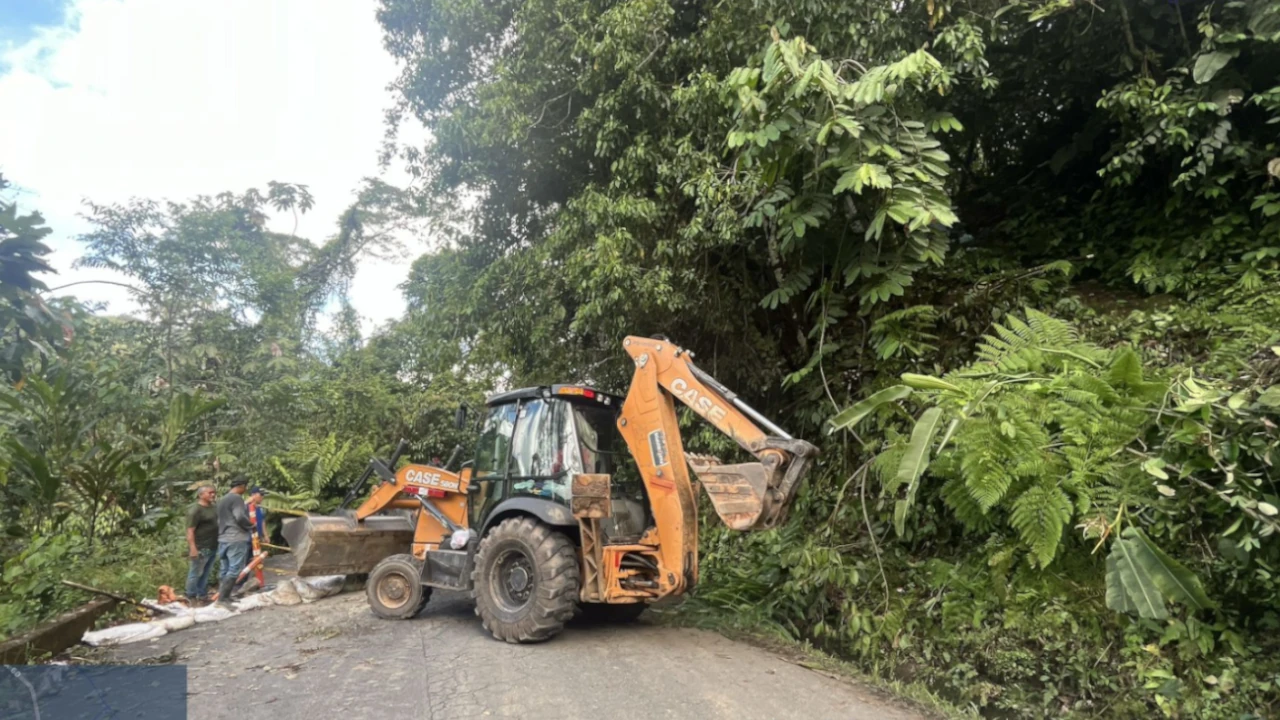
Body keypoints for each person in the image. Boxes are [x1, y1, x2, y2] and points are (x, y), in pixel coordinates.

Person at [214, 476, 253, 606]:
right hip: (236, 537)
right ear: (241, 486)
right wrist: (250, 526)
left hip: (223, 537)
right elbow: (240, 516)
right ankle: (223, 599)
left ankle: (224, 596)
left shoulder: (222, 499)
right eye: (245, 487)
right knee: (234, 569)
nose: (245, 489)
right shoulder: (237, 499)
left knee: (225, 568)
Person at [184, 485, 218, 604]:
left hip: (212, 545)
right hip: (201, 547)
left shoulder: (213, 507)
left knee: (206, 571)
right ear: (201, 495)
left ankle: (202, 594)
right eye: (209, 493)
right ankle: (190, 595)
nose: (213, 495)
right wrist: (193, 548)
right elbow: (190, 531)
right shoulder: (195, 510)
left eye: (214, 492)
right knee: (196, 572)